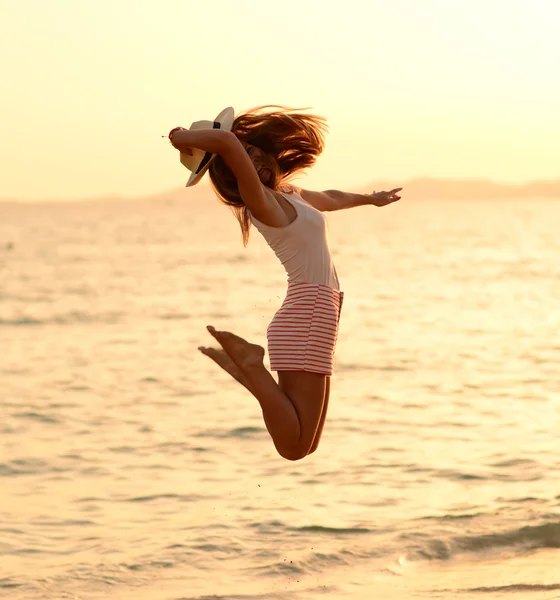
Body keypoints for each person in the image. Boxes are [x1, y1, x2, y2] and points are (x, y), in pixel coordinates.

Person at [168, 106, 401, 461]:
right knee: (292, 447)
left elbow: (331, 198)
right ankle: (248, 365)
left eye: (255, 148)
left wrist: (370, 199)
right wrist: (179, 137)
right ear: (234, 171)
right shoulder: (259, 202)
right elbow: (227, 142)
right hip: (307, 313)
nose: (254, 156)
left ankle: (245, 367)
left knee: (307, 443)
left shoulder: (289, 193)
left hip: (319, 312)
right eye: (243, 156)